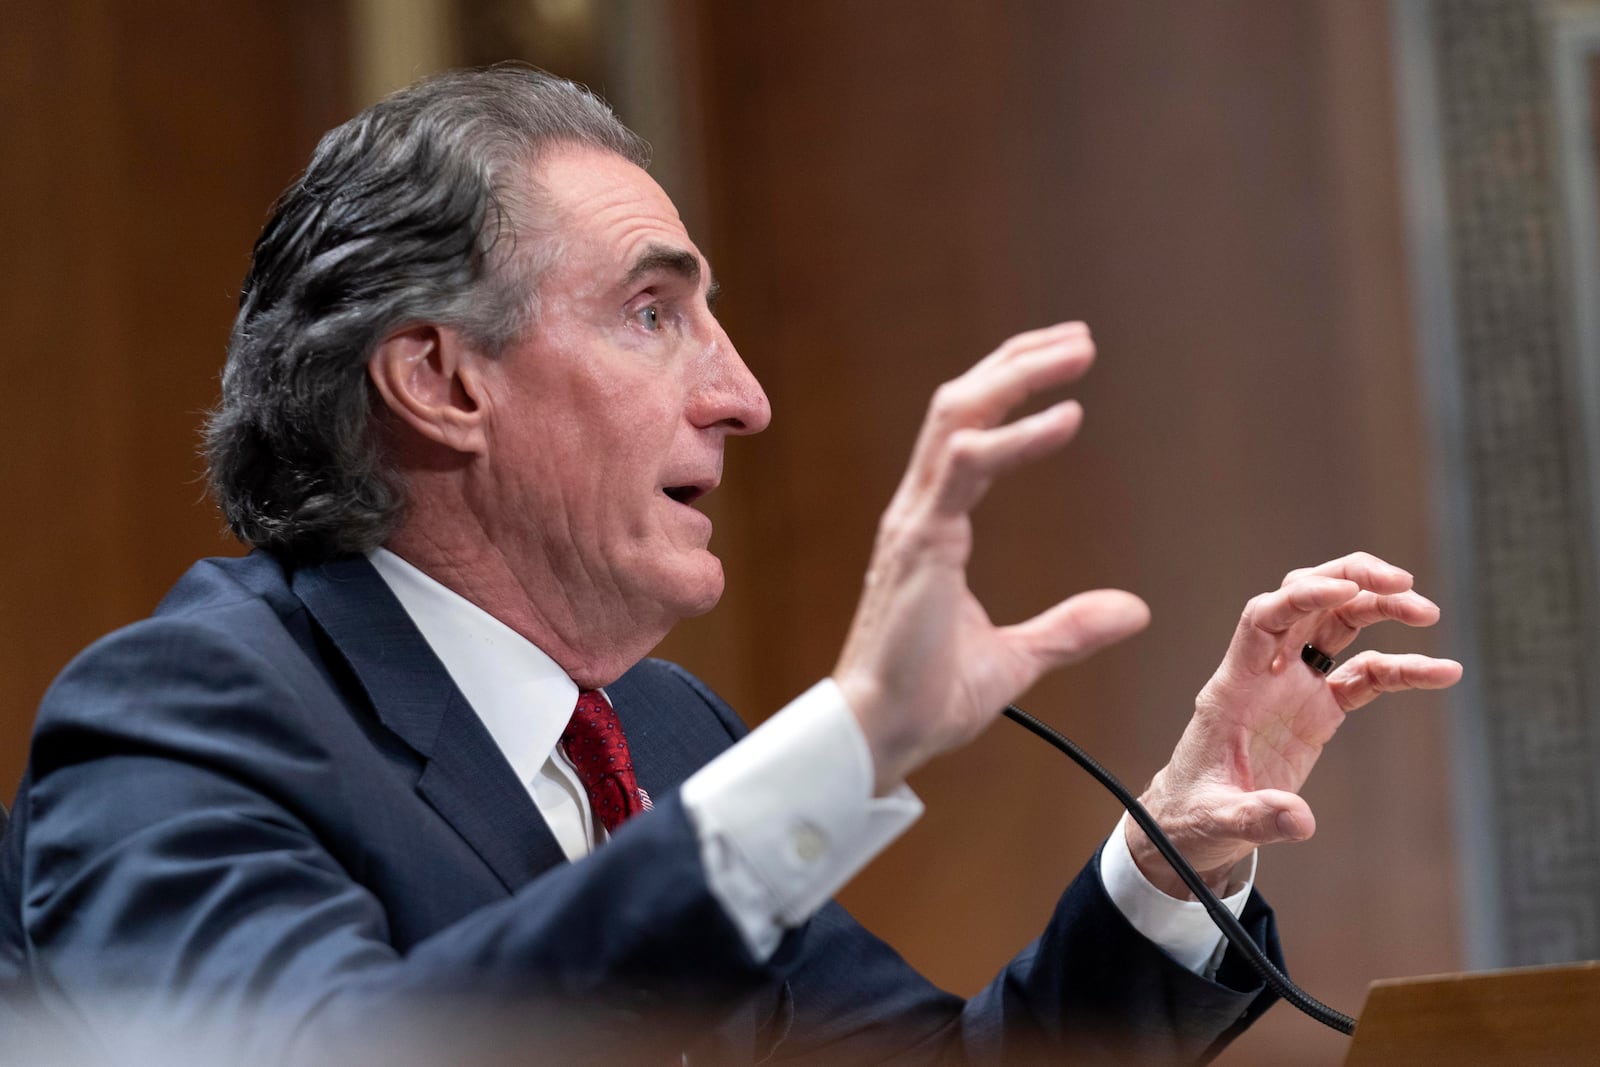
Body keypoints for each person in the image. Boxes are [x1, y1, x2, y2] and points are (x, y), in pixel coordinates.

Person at [0, 67, 1461, 1064]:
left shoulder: (667, 739)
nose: (744, 395)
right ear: (442, 377)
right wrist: (850, 744)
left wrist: (1169, 866)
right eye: (655, 315)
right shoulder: (187, 717)